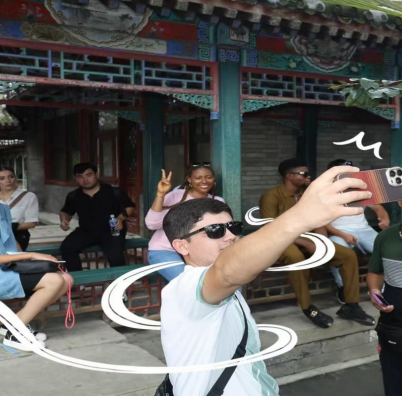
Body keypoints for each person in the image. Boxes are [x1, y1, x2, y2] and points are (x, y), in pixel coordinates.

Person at [160, 165, 373, 396]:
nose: (230, 236)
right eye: (214, 230)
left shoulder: (227, 292)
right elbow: (226, 271)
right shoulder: (184, 288)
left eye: (233, 227)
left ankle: (350, 303)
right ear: (181, 246)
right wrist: (301, 216)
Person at [0, 167, 73, 352]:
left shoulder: (1, 208)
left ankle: (16, 324)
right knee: (54, 281)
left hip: (8, 266)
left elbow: (11, 240)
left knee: (67, 279)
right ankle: (15, 333)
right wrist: (31, 255)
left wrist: (29, 264)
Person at [259, 158, 374, 328]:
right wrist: (307, 244)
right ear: (289, 176)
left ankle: (351, 305)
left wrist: (322, 241)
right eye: (303, 174)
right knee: (296, 258)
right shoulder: (271, 196)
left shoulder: (308, 194)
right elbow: (271, 228)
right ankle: (308, 308)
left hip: (307, 237)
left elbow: (319, 219)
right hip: (280, 238)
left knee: (347, 255)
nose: (308, 176)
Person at [368, 174, 402, 396]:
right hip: (392, 333)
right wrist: (374, 292)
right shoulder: (385, 237)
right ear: (400, 200)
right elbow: (375, 272)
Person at [325, 159, 390, 304]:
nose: (347, 175)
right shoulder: (325, 193)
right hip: (338, 232)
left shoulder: (361, 189)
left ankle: (381, 287)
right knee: (337, 253)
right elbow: (321, 223)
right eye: (342, 172)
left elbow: (378, 208)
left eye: (349, 172)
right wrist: (343, 235)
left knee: (388, 250)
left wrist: (384, 219)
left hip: (364, 230)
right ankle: (343, 287)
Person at [145, 164, 224, 281]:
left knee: (227, 278)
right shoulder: (176, 196)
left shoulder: (217, 201)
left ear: (214, 179)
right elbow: (152, 224)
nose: (204, 181)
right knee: (189, 282)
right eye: (198, 178)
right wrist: (160, 194)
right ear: (189, 180)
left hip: (198, 251)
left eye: (208, 177)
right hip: (166, 250)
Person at [60, 163, 135, 272]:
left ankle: (120, 281)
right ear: (76, 179)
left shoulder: (113, 191)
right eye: (80, 176)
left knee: (115, 256)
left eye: (89, 175)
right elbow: (65, 211)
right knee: (67, 248)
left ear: (97, 175)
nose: (85, 179)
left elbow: (130, 207)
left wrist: (120, 218)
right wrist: (64, 220)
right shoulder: (74, 195)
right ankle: (77, 279)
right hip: (86, 231)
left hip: (112, 231)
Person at [0, 166, 39, 251]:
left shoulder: (29, 197)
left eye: (11, 177)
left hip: (17, 235)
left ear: (15, 178)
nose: (8, 181)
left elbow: (32, 223)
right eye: (2, 178)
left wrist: (11, 227)